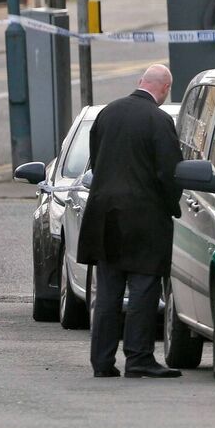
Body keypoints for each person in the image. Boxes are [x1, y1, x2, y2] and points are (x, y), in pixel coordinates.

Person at [76, 64, 183, 379]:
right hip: (144, 218)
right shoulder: (159, 120)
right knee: (143, 288)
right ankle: (138, 359)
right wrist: (170, 206)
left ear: (141, 82)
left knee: (108, 291)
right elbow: (169, 173)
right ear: (164, 89)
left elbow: (97, 162)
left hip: (104, 216)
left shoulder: (108, 113)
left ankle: (102, 362)